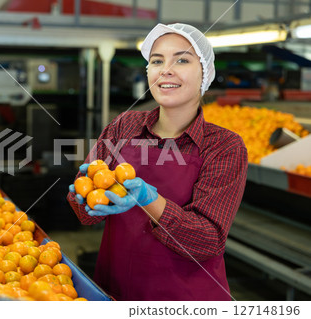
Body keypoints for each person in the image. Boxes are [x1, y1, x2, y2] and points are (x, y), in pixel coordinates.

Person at [67, 23, 248, 301]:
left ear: (205, 73)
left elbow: (209, 240)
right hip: (115, 289)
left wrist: (149, 199)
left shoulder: (223, 146)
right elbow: (87, 211)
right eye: (156, 61)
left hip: (186, 299)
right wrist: (85, 197)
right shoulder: (124, 125)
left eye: (182, 60)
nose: (166, 69)